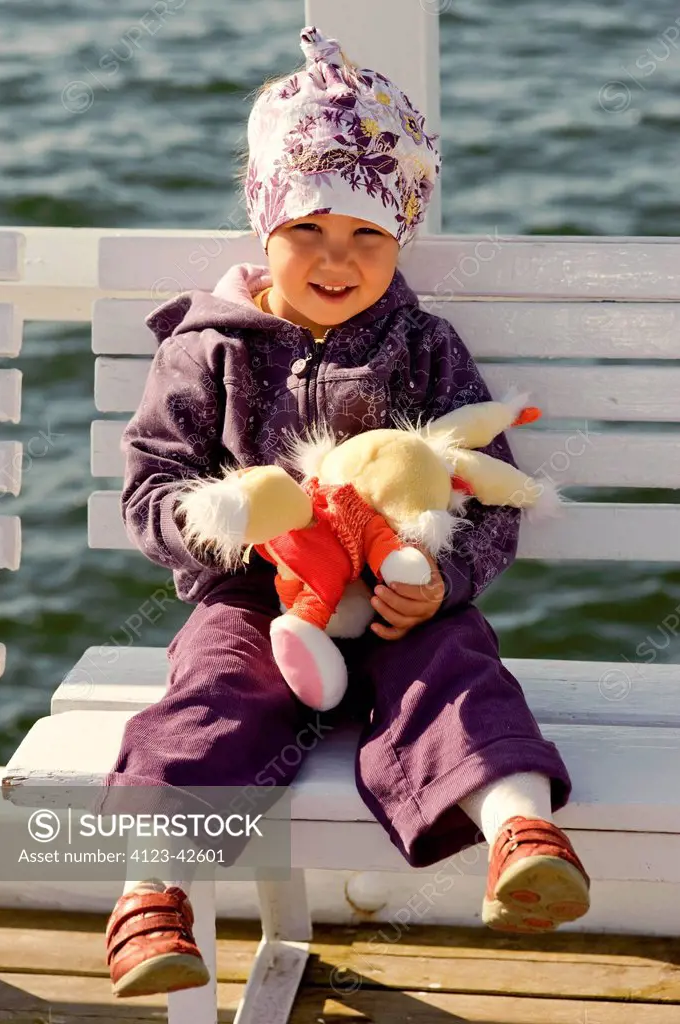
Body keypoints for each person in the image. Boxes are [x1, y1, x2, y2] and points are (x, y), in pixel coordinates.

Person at [102, 25, 590, 1000]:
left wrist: (445, 576)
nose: (337, 258)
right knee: (205, 689)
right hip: (259, 602)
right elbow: (151, 488)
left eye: (367, 234)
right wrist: (226, 518)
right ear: (264, 225)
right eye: (308, 231)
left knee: (453, 667)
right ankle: (152, 890)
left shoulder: (422, 346)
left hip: (400, 588)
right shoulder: (209, 349)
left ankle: (517, 829)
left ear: (399, 234)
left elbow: (481, 481)